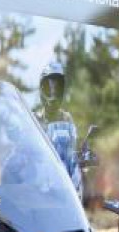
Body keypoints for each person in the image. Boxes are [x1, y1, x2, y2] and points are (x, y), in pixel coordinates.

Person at [38, 60, 81, 197]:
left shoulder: (67, 119)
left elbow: (73, 150)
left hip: (65, 186)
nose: (53, 91)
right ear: (42, 89)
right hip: (40, 186)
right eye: (49, 87)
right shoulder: (34, 120)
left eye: (57, 87)